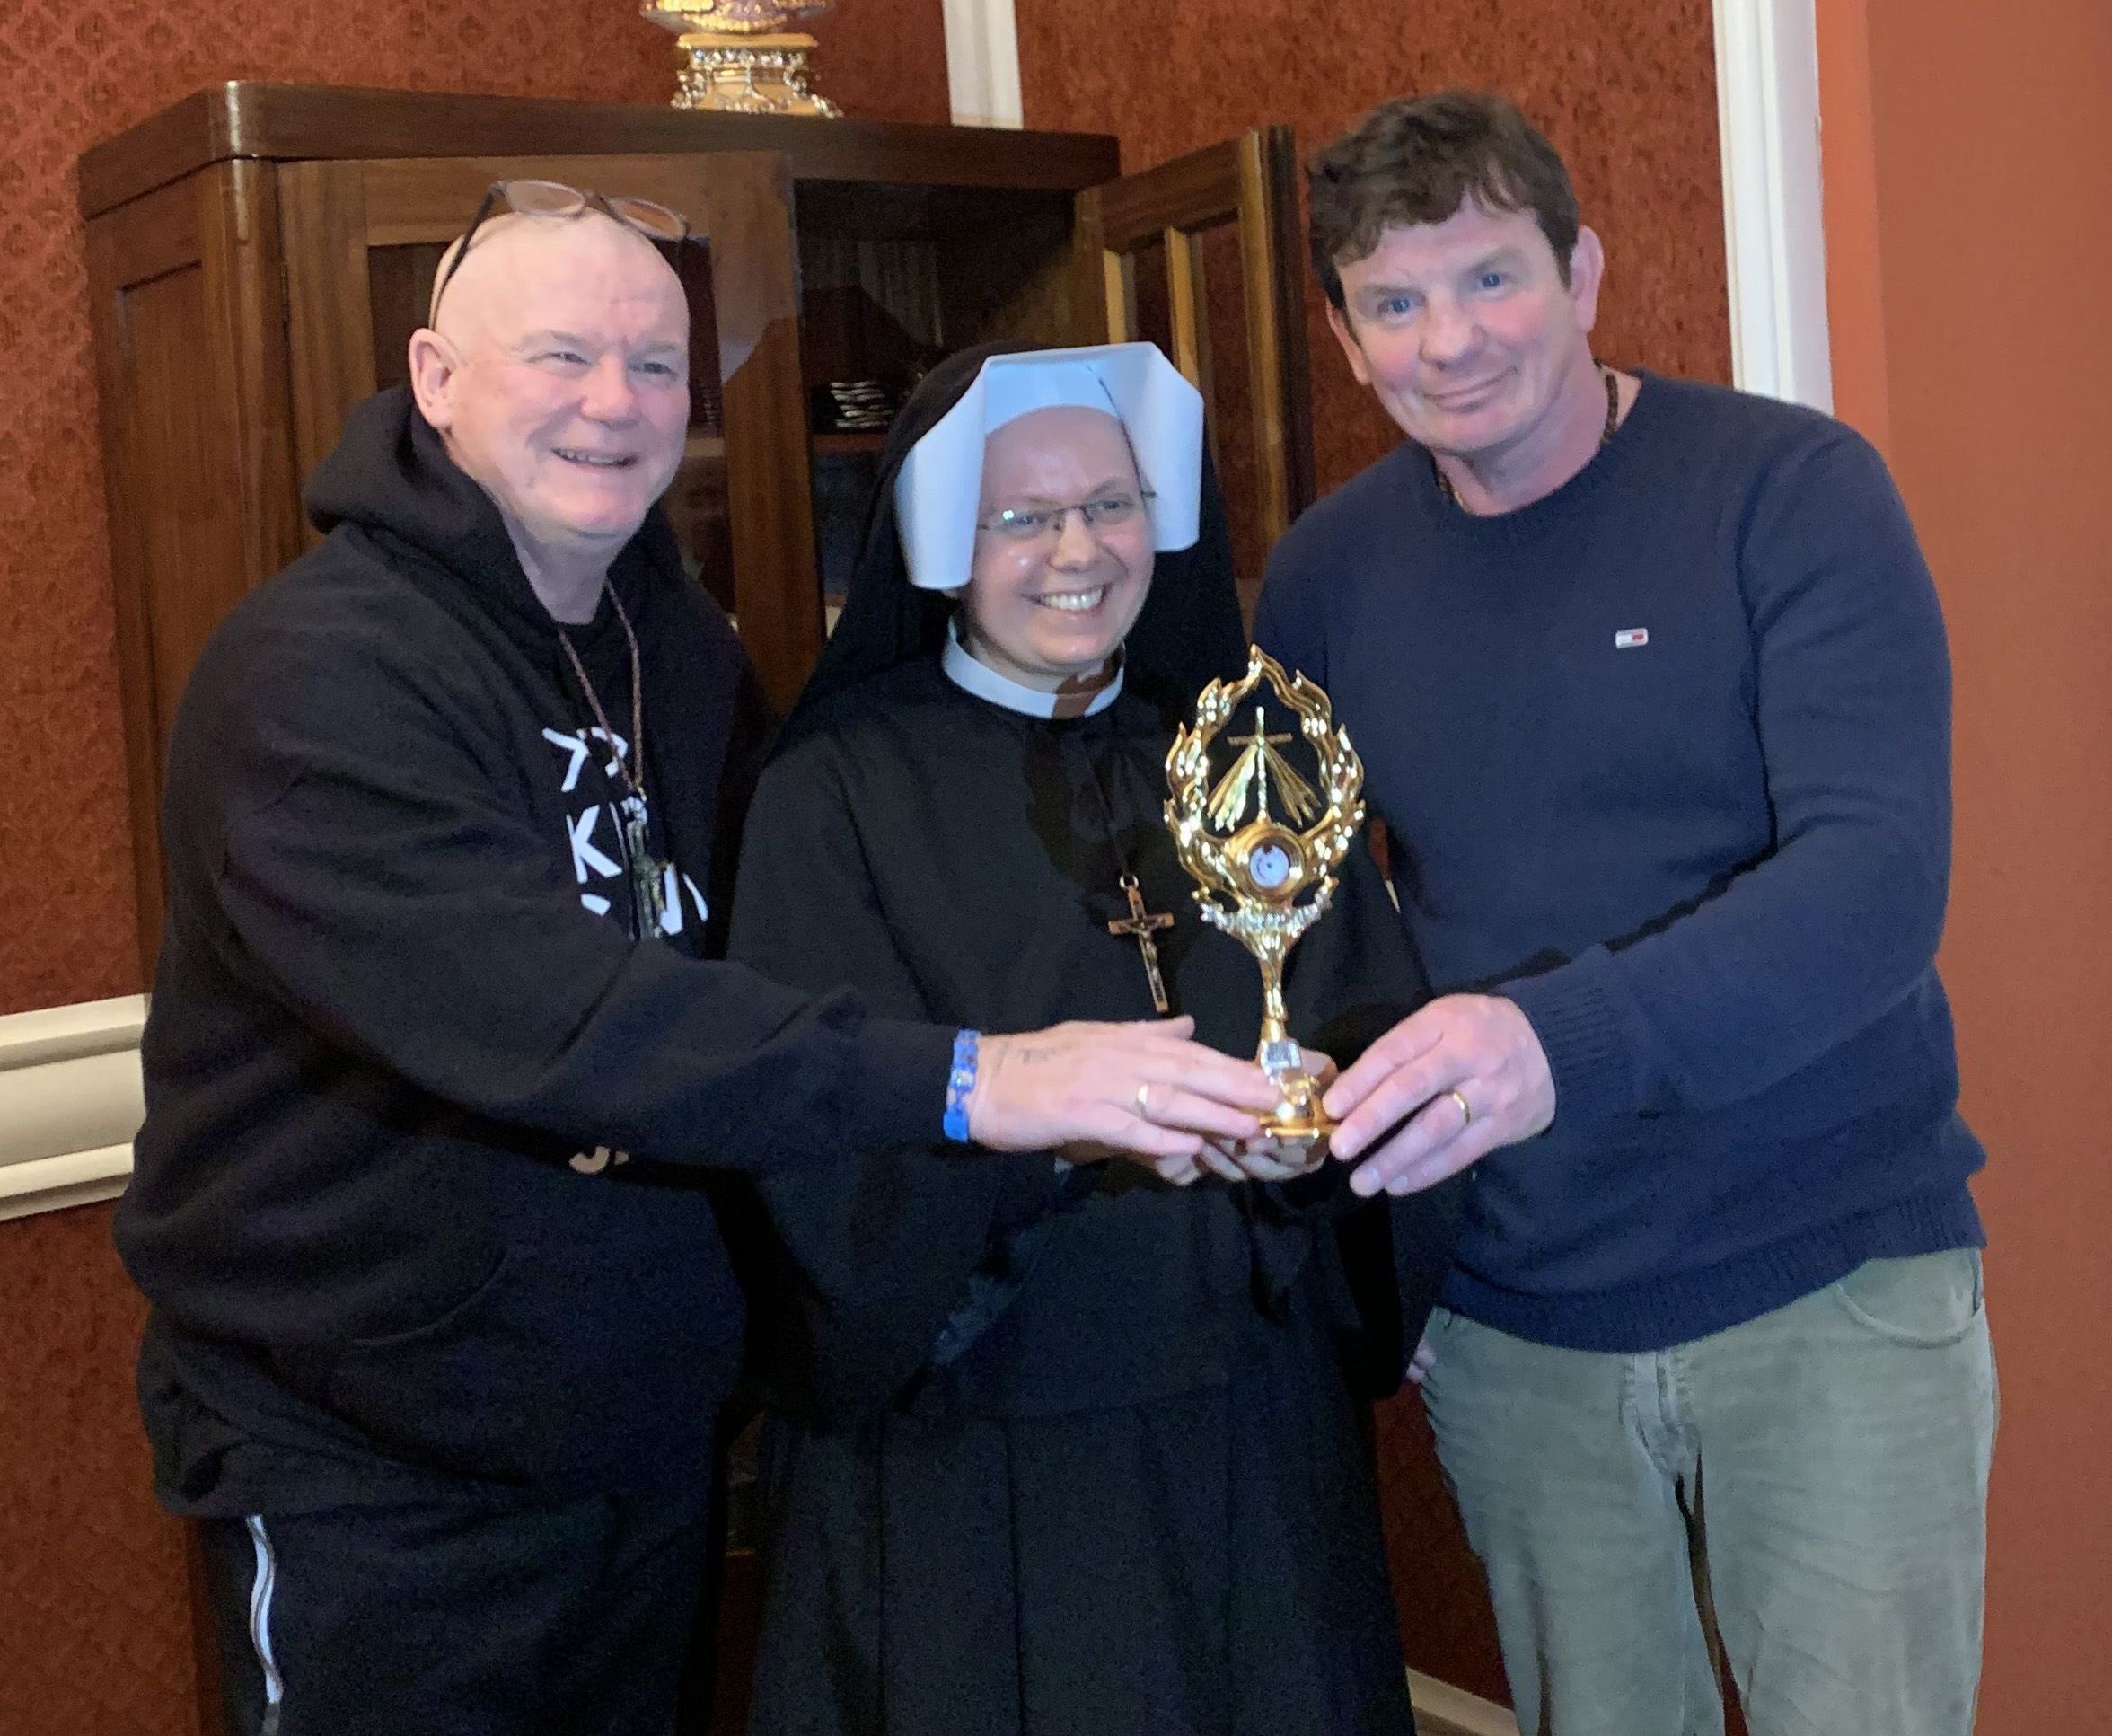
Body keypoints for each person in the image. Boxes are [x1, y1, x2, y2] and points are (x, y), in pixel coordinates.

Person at [114, 189, 1280, 1736]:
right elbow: (551, 1014)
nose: (616, 403)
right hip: (376, 1457)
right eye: (563, 355)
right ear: (434, 375)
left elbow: (763, 952)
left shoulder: (675, 642)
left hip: (638, 1427)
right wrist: (979, 1076)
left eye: (657, 364)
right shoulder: (315, 676)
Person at [1255, 92, 1996, 1736]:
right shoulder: (1324, 579)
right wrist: (1392, 1260)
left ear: (1583, 272)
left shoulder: (1789, 491)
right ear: (1345, 332)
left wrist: (1553, 1041)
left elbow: (1875, 888)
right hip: (1519, 1330)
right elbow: (1304, 940)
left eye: (1491, 277)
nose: (1450, 339)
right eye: (1395, 300)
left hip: (1827, 1283)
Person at [724, 340, 1465, 1736]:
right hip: (975, 1450)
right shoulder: (834, 792)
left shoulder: (1250, 753)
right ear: (943, 543)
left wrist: (1324, 1142)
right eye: (1023, 517)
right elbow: (808, 1138)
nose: (1079, 548)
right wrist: (1049, 1140)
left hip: (1252, 1431)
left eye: (1112, 504)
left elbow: (1380, 1037)